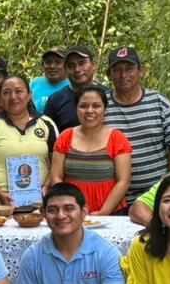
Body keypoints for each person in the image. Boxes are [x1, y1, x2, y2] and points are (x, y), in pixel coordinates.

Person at [102, 46, 170, 206]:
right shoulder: (101, 105)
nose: (123, 75)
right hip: (112, 198)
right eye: (117, 69)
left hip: (155, 195)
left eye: (129, 68)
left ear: (141, 71)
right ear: (109, 75)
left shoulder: (159, 102)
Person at [0, 74, 58, 210]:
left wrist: (46, 186)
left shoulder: (47, 124)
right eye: (6, 92)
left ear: (29, 94)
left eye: (19, 91)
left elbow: (57, 163)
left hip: (39, 204)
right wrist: (0, 194)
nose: (13, 97)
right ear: (0, 98)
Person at [50, 84, 132, 215]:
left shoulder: (117, 138)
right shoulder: (65, 137)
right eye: (83, 106)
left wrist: (104, 212)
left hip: (111, 212)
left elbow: (123, 181)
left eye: (96, 106)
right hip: (71, 213)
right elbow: (56, 176)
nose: (89, 111)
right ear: (76, 109)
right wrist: (71, 207)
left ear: (105, 109)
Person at [42, 45, 97, 131]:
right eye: (71, 66)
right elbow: (47, 135)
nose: (77, 69)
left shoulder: (107, 95)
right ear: (66, 69)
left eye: (82, 63)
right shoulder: (56, 100)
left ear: (93, 65)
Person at [30, 47, 69, 114]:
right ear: (43, 65)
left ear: (66, 65)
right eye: (48, 62)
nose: (52, 66)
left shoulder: (72, 86)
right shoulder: (35, 83)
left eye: (58, 62)